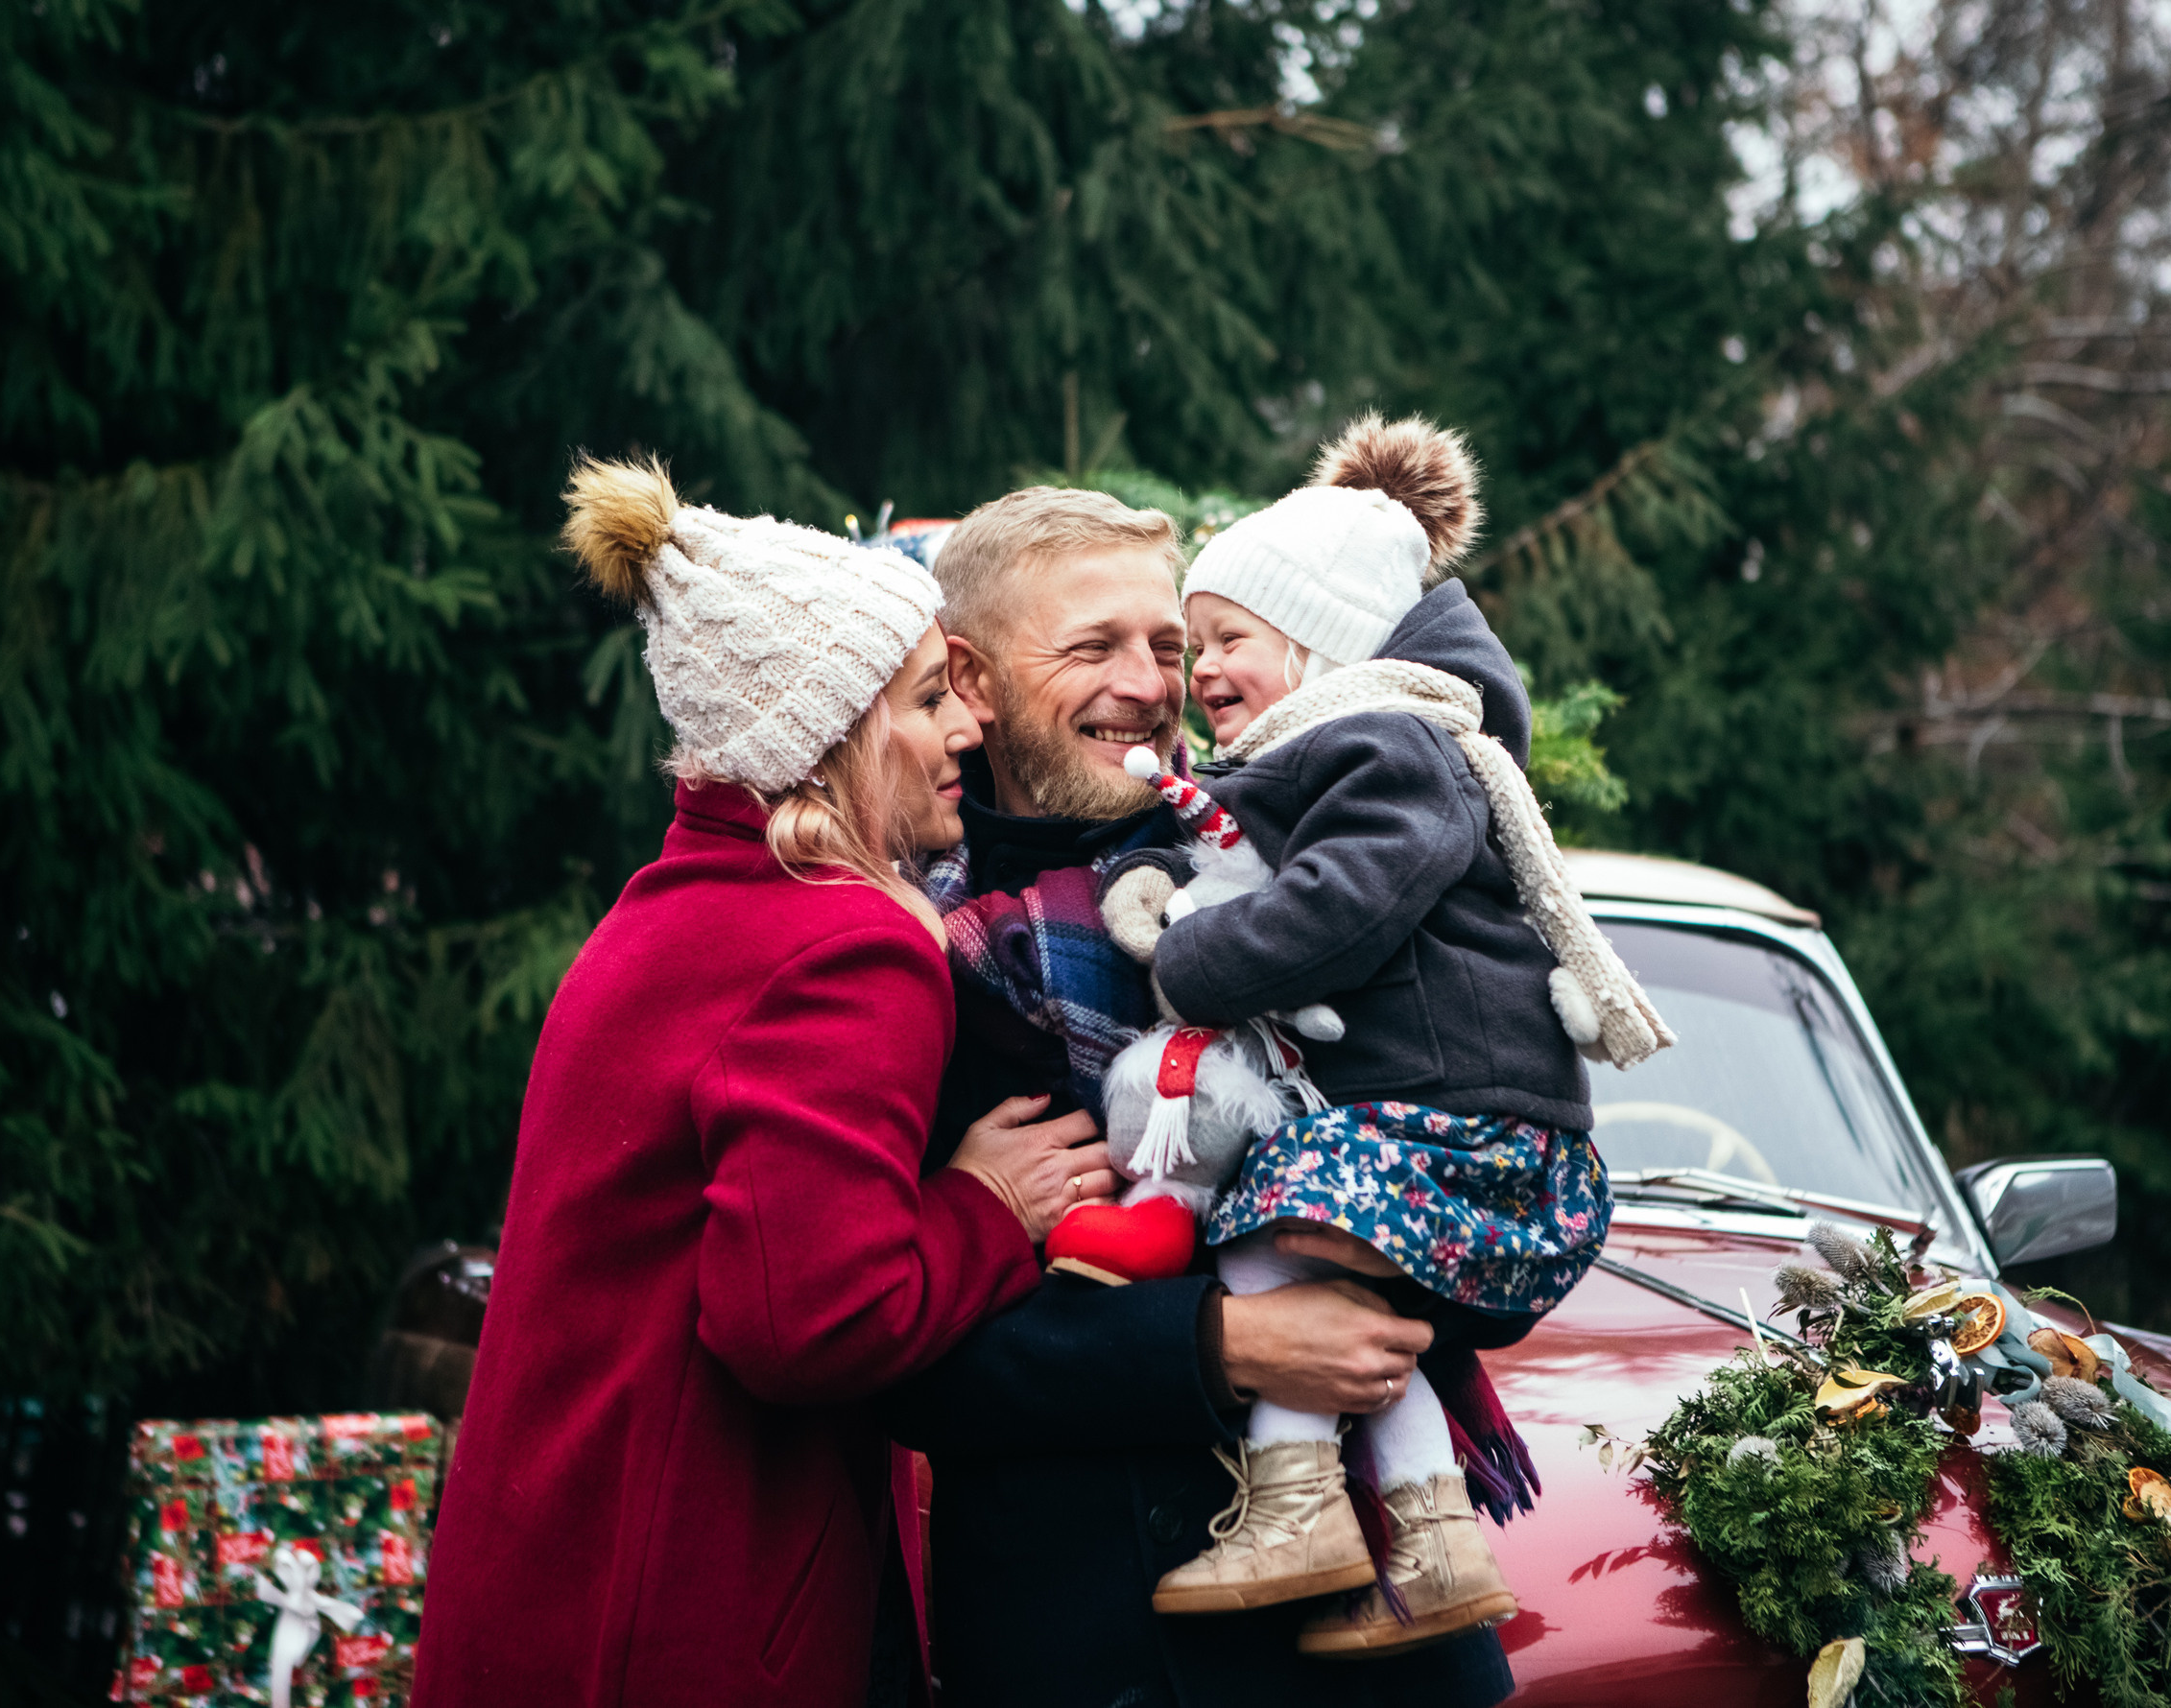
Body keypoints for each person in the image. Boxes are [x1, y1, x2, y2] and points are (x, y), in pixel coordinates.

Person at [413, 459, 1122, 1708]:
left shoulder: (666, 914)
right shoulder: (844, 950)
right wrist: (988, 1211)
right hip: (694, 1618)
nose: (967, 727)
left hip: (554, 1596)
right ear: (832, 733)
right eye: (924, 699)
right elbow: (807, 1321)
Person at [877, 487, 1511, 1708]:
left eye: (1166, 646)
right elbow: (890, 1349)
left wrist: (1393, 1271)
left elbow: (1483, 1177)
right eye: (1092, 647)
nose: (1150, 683)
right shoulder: (919, 948)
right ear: (974, 676)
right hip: (1098, 1634)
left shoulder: (1311, 868)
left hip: (1389, 1638)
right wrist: (1222, 1341)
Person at [1094, 413, 1670, 1652]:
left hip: (1456, 1115)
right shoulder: (1351, 742)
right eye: (1196, 646)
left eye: (1227, 639)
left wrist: (1191, 962)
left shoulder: (1390, 743)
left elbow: (1343, 904)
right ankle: (1435, 1540)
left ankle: (1301, 1509)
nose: (1200, 673)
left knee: (1259, 1244)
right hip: (1429, 1110)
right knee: (1349, 1301)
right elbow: (1255, 849)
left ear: (1325, 641)